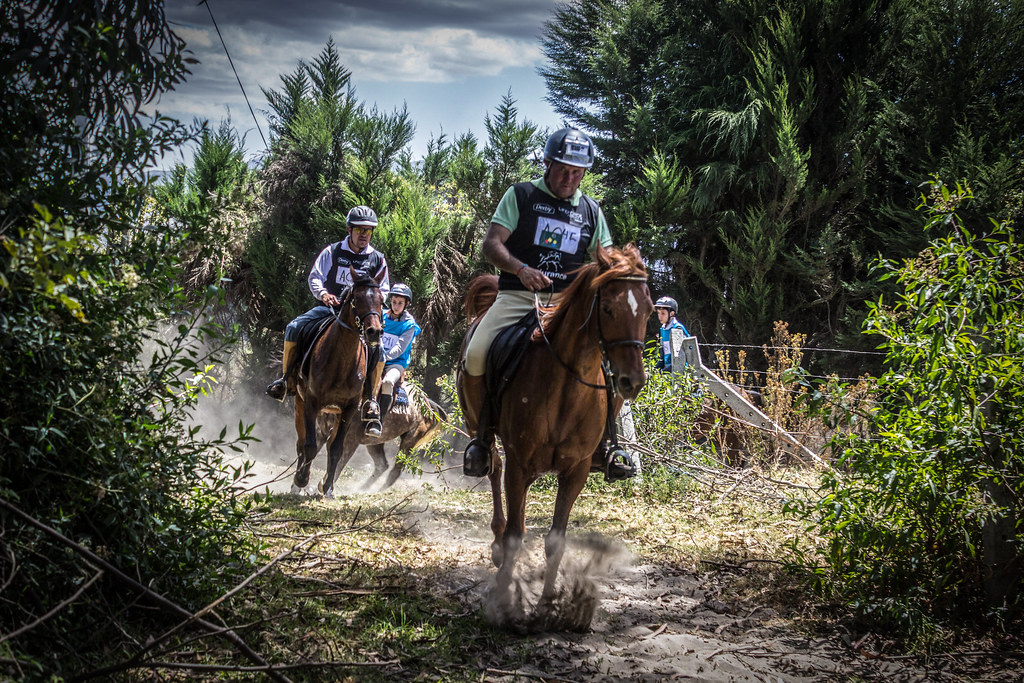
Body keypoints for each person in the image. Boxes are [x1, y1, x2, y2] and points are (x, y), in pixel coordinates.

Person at [461, 127, 638, 481]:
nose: (569, 179)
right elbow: (492, 245)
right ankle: (482, 439)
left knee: (609, 368)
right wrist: (520, 268)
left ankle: (608, 444)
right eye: (562, 170)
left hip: (568, 306)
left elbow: (604, 258)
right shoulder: (521, 195)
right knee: (476, 353)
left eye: (577, 172)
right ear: (547, 162)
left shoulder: (590, 210)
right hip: (518, 296)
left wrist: (625, 266)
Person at [265, 205, 391, 436]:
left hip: (359, 318)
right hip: (329, 311)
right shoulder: (332, 252)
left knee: (379, 350)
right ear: (349, 229)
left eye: (369, 231)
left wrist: (374, 302)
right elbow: (315, 277)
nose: (364, 234)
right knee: (294, 328)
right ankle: (287, 381)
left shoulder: (377, 259)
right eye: (360, 229)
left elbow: (384, 289)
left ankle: (370, 400)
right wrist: (323, 294)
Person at [377, 282, 421, 417]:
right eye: (394, 302)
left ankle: (378, 420)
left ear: (407, 304)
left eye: (400, 303)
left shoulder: (410, 325)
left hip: (396, 363)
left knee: (388, 382)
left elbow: (399, 348)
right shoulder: (380, 316)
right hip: (376, 357)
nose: (396, 306)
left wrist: (382, 356)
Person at [654, 296, 690, 373]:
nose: (660, 316)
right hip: (667, 370)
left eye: (663, 313)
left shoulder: (677, 328)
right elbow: (662, 357)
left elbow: (681, 358)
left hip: (680, 372)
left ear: (672, 313)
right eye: (658, 313)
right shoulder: (662, 329)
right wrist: (654, 371)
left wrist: (662, 372)